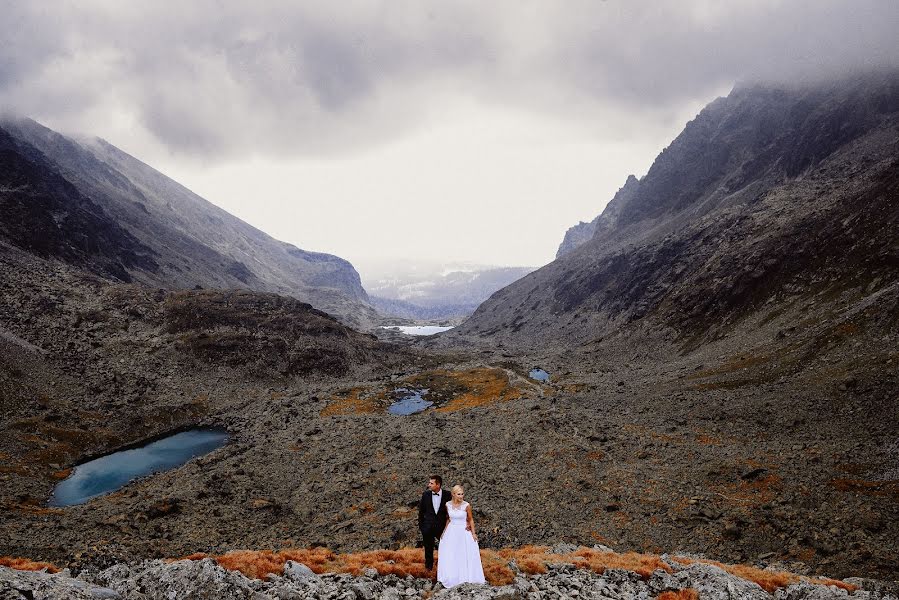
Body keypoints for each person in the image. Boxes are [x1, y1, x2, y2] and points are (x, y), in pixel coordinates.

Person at [437, 484, 485, 588]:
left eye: (462, 494)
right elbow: (448, 519)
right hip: (451, 532)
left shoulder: (466, 505)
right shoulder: (447, 505)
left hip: (463, 532)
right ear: (453, 494)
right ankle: (452, 577)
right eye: (459, 494)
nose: (461, 496)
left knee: (463, 554)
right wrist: (444, 532)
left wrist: (473, 533)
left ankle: (466, 577)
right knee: (451, 554)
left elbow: (471, 519)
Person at [418, 474, 451, 571]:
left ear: (438, 485)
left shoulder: (448, 495)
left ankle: (445, 568)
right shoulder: (426, 495)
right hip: (427, 528)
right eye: (429, 483)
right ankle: (429, 569)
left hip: (442, 528)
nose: (429, 485)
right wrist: (422, 527)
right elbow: (421, 512)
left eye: (431, 483)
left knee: (445, 548)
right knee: (428, 549)